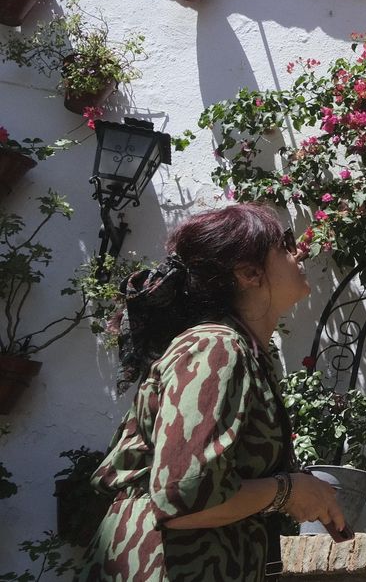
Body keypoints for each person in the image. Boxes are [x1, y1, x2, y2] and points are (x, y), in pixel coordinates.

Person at [82, 203, 347, 582]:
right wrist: (288, 491)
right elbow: (184, 498)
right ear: (249, 272)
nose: (299, 251)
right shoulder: (216, 347)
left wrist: (298, 490)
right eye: (285, 244)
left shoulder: (240, 349)